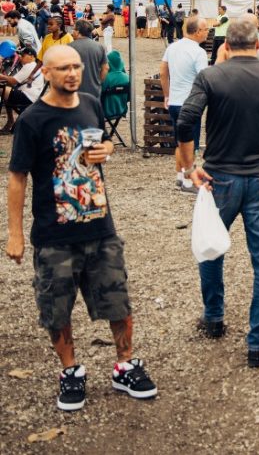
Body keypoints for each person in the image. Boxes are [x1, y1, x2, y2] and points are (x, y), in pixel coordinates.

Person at [5, 46, 157, 411]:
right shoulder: (33, 120)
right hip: (54, 234)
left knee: (117, 300)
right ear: (46, 72)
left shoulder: (90, 102)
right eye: (63, 68)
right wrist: (15, 233)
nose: (72, 73)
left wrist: (108, 149)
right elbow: (17, 177)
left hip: (100, 226)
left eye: (75, 66)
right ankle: (70, 371)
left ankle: (124, 365)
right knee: (56, 308)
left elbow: (102, 141)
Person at [176, 17, 259, 368]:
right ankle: (258, 343)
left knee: (211, 247)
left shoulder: (210, 77)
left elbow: (186, 119)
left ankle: (214, 317)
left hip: (220, 176)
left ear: (226, 46)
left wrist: (189, 165)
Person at [160, 16, 210, 192]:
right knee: (191, 144)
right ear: (197, 31)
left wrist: (167, 95)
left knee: (180, 141)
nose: (207, 32)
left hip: (174, 101)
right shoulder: (198, 52)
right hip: (190, 104)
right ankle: (189, 182)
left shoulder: (172, 47)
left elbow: (163, 72)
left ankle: (180, 176)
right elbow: (204, 79)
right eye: (206, 29)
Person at [0, 44, 44, 130]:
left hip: (27, 97)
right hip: (31, 96)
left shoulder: (30, 66)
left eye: (23, 55)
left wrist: (2, 76)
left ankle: (10, 121)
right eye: (20, 55)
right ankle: (10, 121)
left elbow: (13, 81)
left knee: (1, 90)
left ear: (32, 56)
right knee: (5, 90)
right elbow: (12, 82)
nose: (20, 57)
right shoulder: (33, 66)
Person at [69, 19, 108, 104]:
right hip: (94, 91)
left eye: (73, 29)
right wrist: (98, 82)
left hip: (75, 91)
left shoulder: (69, 47)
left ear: (78, 32)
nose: (72, 32)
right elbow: (105, 68)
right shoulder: (100, 47)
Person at [101, 51, 129, 122]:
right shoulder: (128, 78)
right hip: (121, 111)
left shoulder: (105, 78)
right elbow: (129, 98)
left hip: (105, 112)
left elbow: (99, 95)